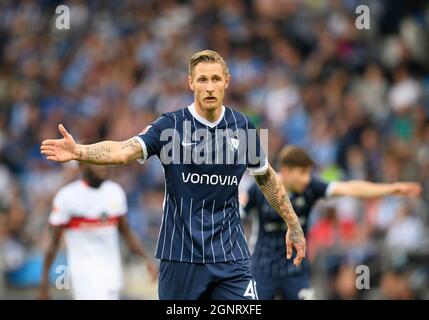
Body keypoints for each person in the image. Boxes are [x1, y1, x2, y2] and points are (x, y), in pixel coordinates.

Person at [40, 49, 306, 300]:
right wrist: (80, 151)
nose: (210, 86)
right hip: (180, 258)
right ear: (191, 83)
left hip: (230, 256)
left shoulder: (243, 127)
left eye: (215, 79)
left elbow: (266, 177)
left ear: (227, 81)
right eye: (202, 79)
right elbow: (123, 151)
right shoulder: (170, 126)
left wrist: (293, 224)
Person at [241, 145, 421, 300]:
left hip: (295, 271)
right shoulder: (259, 190)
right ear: (286, 171)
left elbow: (349, 188)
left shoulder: (311, 188)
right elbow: (235, 213)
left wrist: (390, 188)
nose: (307, 178)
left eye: (309, 173)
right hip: (262, 270)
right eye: (302, 172)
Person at [38, 162, 158, 300]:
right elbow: (53, 243)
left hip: (112, 275)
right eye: (95, 163)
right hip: (85, 278)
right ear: (82, 166)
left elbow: (126, 233)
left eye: (104, 162)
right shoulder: (67, 197)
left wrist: (147, 260)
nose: (102, 166)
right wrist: (44, 281)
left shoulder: (115, 192)